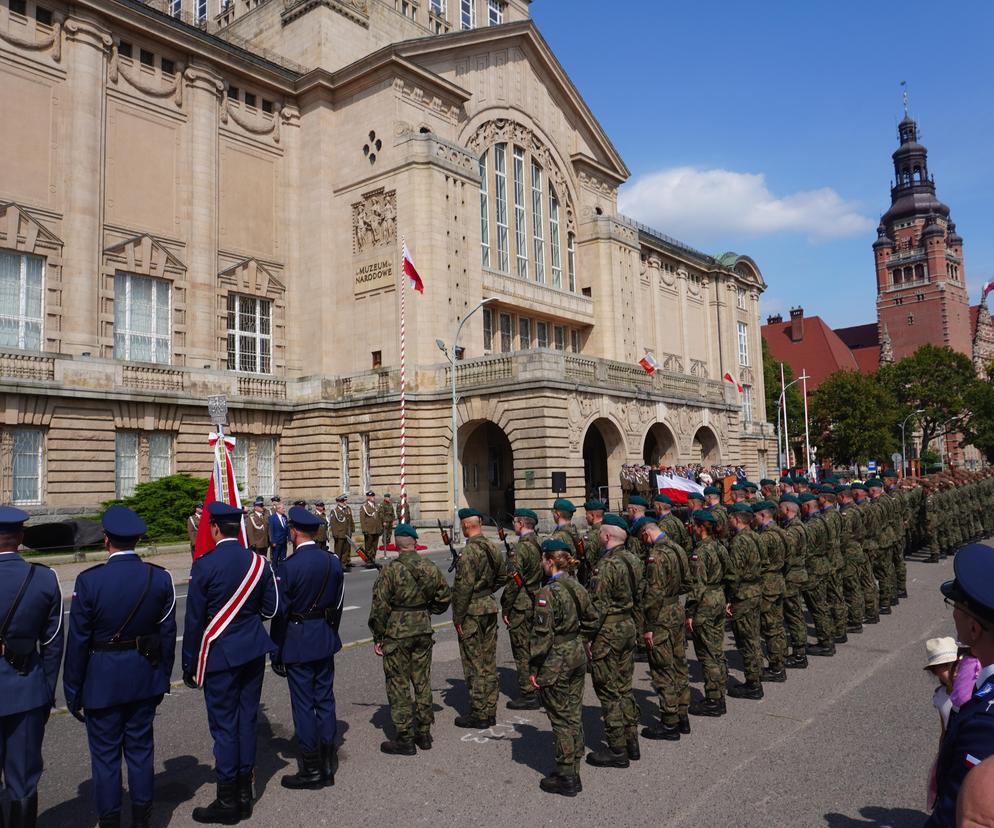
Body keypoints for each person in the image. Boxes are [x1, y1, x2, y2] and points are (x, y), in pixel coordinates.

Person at [63, 505, 177, 828]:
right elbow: (167, 635)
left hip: (102, 682)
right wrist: (162, 677)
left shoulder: (89, 582)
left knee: (105, 758)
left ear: (105, 540)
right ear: (138, 538)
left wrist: (72, 690)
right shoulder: (160, 578)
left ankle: (111, 820)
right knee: (141, 752)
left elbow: (78, 644)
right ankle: (142, 818)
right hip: (144, 677)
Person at [182, 501, 279, 825]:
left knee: (224, 727)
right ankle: (244, 794)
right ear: (238, 526)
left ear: (213, 528)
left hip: (220, 655)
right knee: (246, 720)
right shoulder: (258, 563)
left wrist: (189, 663)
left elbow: (194, 621)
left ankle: (227, 801)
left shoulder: (204, 565)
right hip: (252, 651)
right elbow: (271, 608)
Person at [269, 507, 344, 790]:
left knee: (303, 705)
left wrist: (275, 651)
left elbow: (279, 613)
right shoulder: (332, 561)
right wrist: (328, 632)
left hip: (298, 640)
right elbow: (337, 605)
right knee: (324, 700)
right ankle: (327, 763)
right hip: (323, 637)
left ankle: (311, 768)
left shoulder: (288, 567)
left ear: (294, 532)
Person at [0, 506, 63, 828]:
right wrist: (46, 689)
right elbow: (52, 643)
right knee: (23, 777)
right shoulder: (43, 578)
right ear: (21, 538)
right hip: (27, 688)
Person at [368, 524, 451, 755]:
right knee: (422, 680)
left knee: (398, 683)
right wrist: (426, 611)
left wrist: (378, 636)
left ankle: (405, 737)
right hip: (423, 629)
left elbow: (379, 608)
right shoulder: (430, 567)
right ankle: (424, 733)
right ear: (415, 542)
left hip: (397, 633)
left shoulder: (390, 570)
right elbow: (444, 597)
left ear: (396, 545)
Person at [927, 543, 994, 827]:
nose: (953, 614)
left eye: (954, 607)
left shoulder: (985, 721)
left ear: (974, 629)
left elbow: (959, 814)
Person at [529, 539, 598, 797]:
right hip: (577, 654)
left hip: (556, 659)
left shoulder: (547, 593)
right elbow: (592, 618)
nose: (541, 564)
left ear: (549, 560)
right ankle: (574, 762)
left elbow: (541, 637)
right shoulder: (576, 585)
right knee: (573, 710)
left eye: (542, 560)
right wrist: (580, 640)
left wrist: (534, 668)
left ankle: (567, 775)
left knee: (560, 717)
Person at [585, 514, 643, 768]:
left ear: (607, 536)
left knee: (608, 691)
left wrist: (586, 636)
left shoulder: (606, 565)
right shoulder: (633, 558)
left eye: (601, 534)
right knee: (623, 687)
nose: (598, 537)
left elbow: (596, 607)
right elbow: (641, 594)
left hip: (608, 632)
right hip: (627, 626)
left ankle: (617, 748)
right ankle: (632, 741)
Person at [632, 515, 690, 740]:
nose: (644, 543)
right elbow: (687, 581)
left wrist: (649, 626)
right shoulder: (677, 548)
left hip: (661, 617)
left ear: (646, 534)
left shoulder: (656, 556)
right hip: (675, 609)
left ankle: (669, 723)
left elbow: (654, 594)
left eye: (642, 538)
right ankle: (682, 715)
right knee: (679, 665)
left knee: (662, 669)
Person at [451, 508, 506, 729]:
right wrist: (487, 590)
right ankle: (490, 709)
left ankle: (479, 713)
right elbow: (503, 575)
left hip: (472, 611)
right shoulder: (492, 546)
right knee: (488, 661)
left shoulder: (469, 552)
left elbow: (463, 589)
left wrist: (458, 618)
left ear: (465, 525)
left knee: (474, 663)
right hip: (489, 607)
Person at [685, 509, 727, 716]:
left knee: (707, 653)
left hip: (706, 603)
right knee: (716, 648)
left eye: (694, 525)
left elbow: (697, 586)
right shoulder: (719, 545)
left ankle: (714, 698)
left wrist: (690, 612)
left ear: (700, 527)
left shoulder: (700, 552)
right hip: (718, 597)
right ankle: (720, 689)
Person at [501, 508, 544, 711]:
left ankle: (529, 693)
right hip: (536, 598)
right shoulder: (539, 542)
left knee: (521, 650)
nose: (513, 525)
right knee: (535, 647)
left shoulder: (520, 549)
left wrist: (506, 607)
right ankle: (539, 685)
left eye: (515, 522)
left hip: (521, 603)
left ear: (520, 523)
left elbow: (513, 582)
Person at [724, 504, 765, 699]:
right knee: (754, 637)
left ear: (737, 520)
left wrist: (729, 597)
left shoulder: (739, 541)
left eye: (730, 517)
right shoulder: (755, 536)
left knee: (746, 640)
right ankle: (757, 674)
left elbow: (734, 573)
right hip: (756, 590)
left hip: (743, 595)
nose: (728, 521)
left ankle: (753, 683)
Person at [752, 501, 788, 683]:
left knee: (770, 626)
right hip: (779, 580)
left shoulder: (765, 537)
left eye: (756, 516)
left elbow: (758, 563)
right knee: (777, 623)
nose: (754, 520)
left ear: (763, 516)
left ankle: (776, 666)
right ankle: (780, 659)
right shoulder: (782, 531)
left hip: (767, 584)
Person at [925, 637, 961, 812]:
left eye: (954, 664)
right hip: (951, 752)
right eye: (943, 667)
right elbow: (944, 730)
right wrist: (941, 755)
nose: (952, 670)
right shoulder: (940, 697)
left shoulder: (975, 691)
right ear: (935, 672)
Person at [330, 495, 355, 570]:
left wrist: (352, 528)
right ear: (337, 502)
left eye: (344, 501)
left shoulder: (347, 509)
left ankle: (343, 564)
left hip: (347, 533)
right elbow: (333, 524)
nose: (343, 502)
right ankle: (337, 564)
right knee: (339, 551)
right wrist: (335, 534)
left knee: (346, 550)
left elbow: (350, 520)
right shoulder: (334, 511)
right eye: (341, 501)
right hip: (339, 534)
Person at [360, 492, 383, 566]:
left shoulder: (376, 506)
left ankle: (373, 559)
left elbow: (379, 518)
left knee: (374, 546)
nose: (373, 497)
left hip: (376, 529)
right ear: (368, 497)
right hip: (369, 530)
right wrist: (364, 530)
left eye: (373, 495)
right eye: (371, 496)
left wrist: (380, 528)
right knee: (368, 546)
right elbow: (362, 520)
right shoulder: (364, 507)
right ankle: (368, 561)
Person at [268, 501, 289, 575]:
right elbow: (271, 530)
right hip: (276, 542)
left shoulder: (285, 517)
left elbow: (287, 528)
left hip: (283, 541)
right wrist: (272, 541)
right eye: (283, 508)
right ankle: (274, 571)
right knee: (275, 558)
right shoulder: (272, 518)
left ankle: (282, 571)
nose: (284, 510)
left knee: (283, 557)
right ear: (278, 509)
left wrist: (289, 538)